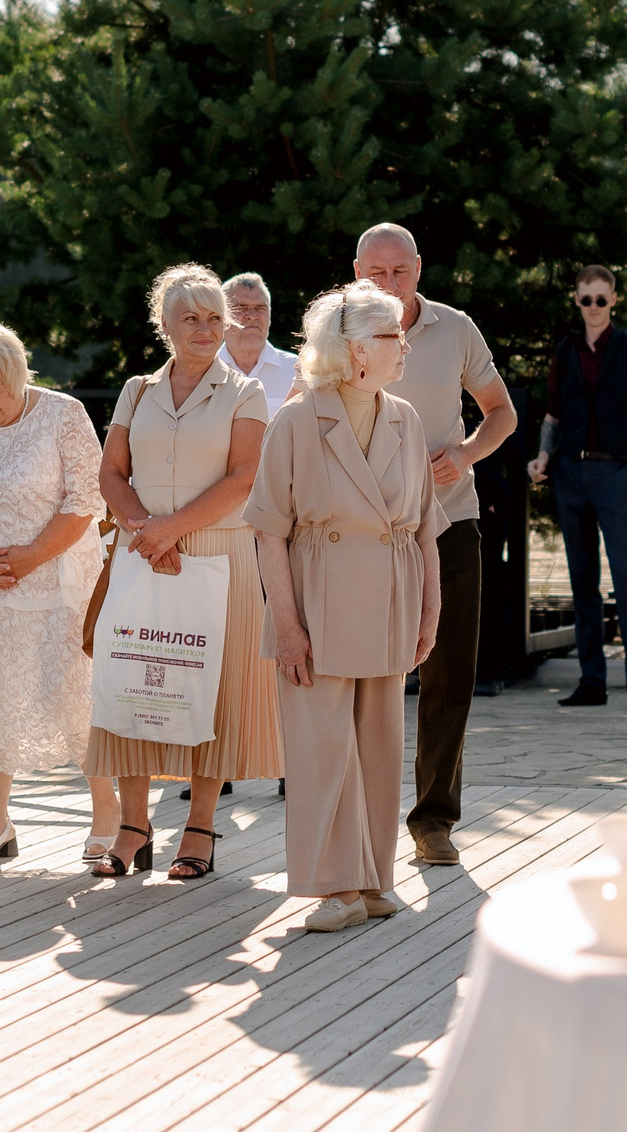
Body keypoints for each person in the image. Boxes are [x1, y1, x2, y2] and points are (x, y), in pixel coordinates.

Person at [251, 282, 446, 932]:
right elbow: (268, 531)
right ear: (358, 350)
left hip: (391, 599)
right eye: (394, 336)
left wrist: (430, 613)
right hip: (316, 601)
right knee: (322, 749)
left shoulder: (405, 419)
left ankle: (371, 881)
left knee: (379, 747)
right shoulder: (296, 420)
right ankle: (335, 886)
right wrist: (286, 625)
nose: (405, 346)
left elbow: (425, 530)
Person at [90, 263, 281, 880]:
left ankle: (199, 827)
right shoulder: (136, 390)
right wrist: (146, 529)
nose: (204, 328)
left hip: (219, 555)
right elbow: (110, 472)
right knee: (132, 682)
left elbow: (245, 477)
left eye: (214, 318)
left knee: (211, 690)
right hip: (142, 552)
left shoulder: (246, 392)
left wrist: (168, 531)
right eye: (190, 318)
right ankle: (133, 826)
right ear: (164, 325)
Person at [353, 222, 516, 868]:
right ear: (357, 272)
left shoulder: (456, 328)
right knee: (363, 676)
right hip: (361, 533)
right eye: (377, 272)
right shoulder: (338, 327)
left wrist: (468, 452)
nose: (389, 283)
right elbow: (307, 413)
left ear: (419, 268)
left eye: (400, 271)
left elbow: (501, 411)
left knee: (449, 677)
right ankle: (359, 821)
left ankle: (434, 821)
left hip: (450, 522)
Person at [0, 320, 115, 864]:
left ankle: (107, 813)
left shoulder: (64, 414)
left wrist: (31, 556)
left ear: (16, 375)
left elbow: (87, 501)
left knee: (76, 697)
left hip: (61, 584)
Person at [526, 265, 627, 712]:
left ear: (614, 300)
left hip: (615, 474)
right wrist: (543, 456)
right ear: (576, 301)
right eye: (586, 299)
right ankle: (592, 682)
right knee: (582, 580)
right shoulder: (566, 350)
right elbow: (553, 414)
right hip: (570, 475)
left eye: (601, 299)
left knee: (625, 577)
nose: (594, 307)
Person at [217, 272, 301, 417]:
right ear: (221, 316)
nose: (252, 315)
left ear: (269, 316)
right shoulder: (203, 373)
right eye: (241, 307)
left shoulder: (298, 372)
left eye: (260, 308)